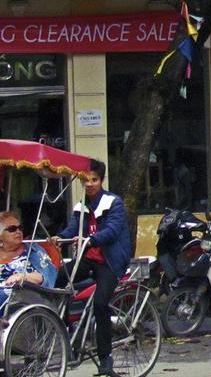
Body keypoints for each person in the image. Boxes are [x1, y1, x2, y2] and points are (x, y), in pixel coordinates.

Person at [53, 159, 130, 377]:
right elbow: (72, 228)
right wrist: (62, 237)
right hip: (88, 258)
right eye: (86, 180)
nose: (89, 184)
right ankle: (67, 332)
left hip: (110, 261)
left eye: (93, 180)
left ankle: (106, 359)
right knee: (59, 282)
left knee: (100, 304)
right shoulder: (81, 205)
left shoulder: (113, 202)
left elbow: (113, 230)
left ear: (101, 180)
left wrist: (91, 239)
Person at [0, 211, 56, 309]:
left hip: (22, 297)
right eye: (12, 229)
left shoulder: (33, 250)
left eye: (20, 228)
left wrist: (23, 276)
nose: (18, 231)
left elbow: (45, 277)